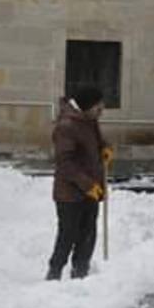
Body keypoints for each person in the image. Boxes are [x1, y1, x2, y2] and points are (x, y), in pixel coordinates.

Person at [47, 85, 112, 280]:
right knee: (68, 234)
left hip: (91, 189)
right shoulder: (66, 126)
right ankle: (54, 272)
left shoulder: (89, 120)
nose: (101, 111)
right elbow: (65, 163)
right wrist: (87, 185)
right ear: (87, 106)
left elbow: (97, 142)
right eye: (98, 108)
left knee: (88, 235)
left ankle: (80, 273)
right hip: (69, 193)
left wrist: (105, 148)